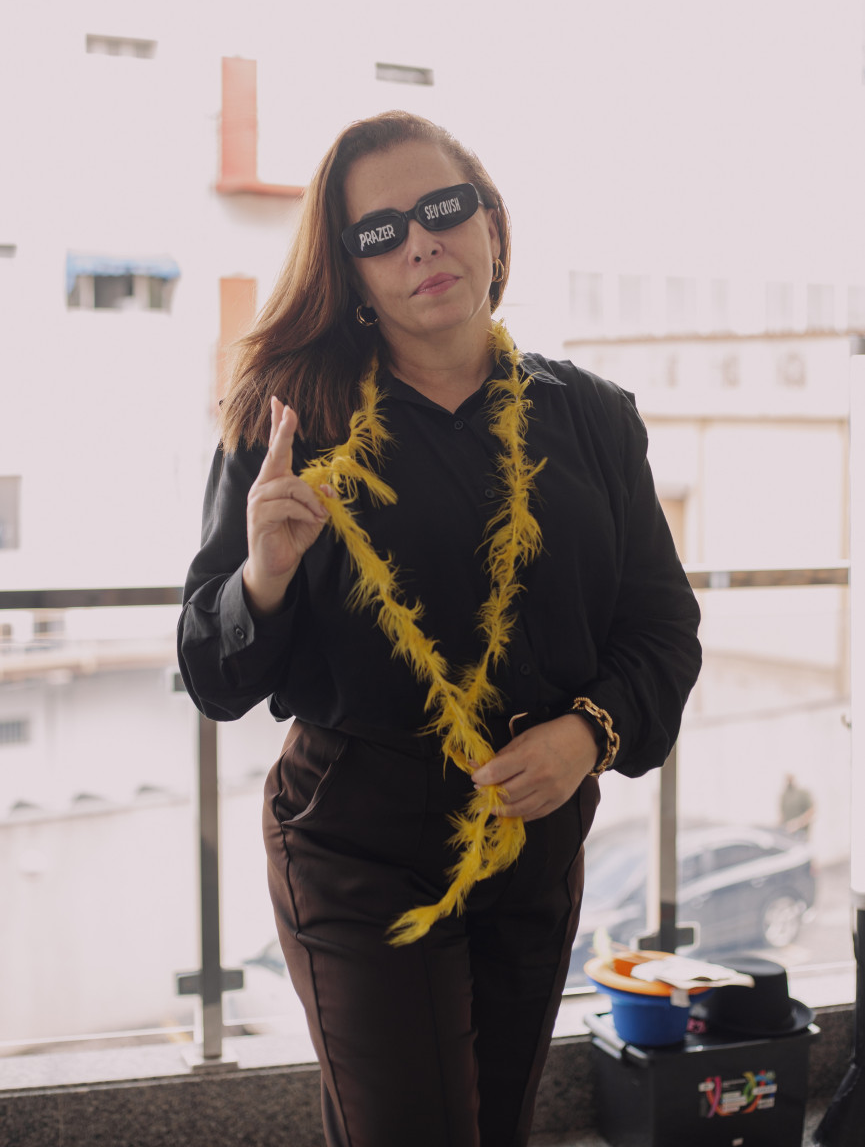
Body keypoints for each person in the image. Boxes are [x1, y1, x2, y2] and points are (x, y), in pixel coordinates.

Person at [177, 111, 702, 1147]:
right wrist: (264, 574)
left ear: (490, 227)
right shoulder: (289, 418)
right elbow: (210, 670)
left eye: (442, 209)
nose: (419, 242)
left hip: (534, 824)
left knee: (494, 1125)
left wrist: (586, 734)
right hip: (355, 836)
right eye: (379, 233)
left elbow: (662, 629)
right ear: (354, 275)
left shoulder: (594, 417)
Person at [779, 773, 815, 839]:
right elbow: (782, 816)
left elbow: (811, 811)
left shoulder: (802, 793)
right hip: (787, 835)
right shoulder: (785, 795)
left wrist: (798, 823)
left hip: (801, 834)